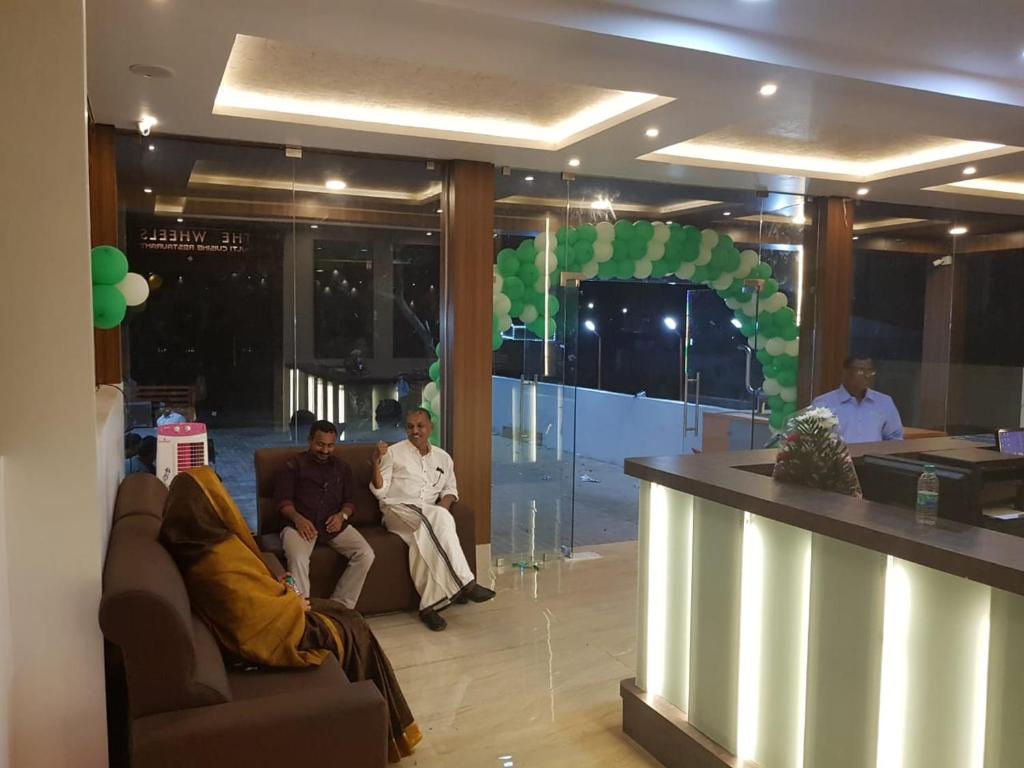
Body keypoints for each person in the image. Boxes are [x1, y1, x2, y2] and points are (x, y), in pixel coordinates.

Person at [159, 466, 421, 762]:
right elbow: (249, 613)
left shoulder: (203, 544)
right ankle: (381, 733)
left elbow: (247, 591)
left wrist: (280, 588)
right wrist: (293, 604)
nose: (226, 500)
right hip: (276, 628)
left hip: (289, 593)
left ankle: (378, 726)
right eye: (218, 495)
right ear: (206, 503)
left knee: (347, 606)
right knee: (353, 627)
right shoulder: (213, 558)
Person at [370, 408, 494, 631]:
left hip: (427, 514)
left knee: (422, 540)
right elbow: (380, 492)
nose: (415, 431)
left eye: (420, 426)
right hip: (397, 509)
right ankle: (466, 582)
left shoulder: (443, 457)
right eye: (410, 426)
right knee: (434, 519)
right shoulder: (393, 453)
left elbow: (450, 490)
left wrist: (442, 509)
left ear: (430, 428)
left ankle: (429, 606)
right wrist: (376, 462)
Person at [274, 420, 375, 609]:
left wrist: (342, 516)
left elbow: (350, 502)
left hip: (334, 525)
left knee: (365, 554)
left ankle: (340, 606)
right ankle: (303, 613)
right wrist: (298, 519)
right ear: (310, 440)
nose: (325, 450)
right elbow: (283, 502)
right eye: (320, 444)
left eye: (330, 445)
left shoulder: (342, 468)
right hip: (300, 526)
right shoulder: (292, 466)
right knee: (298, 559)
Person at [811, 354, 904, 443]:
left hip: (874, 458)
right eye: (860, 371)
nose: (867, 376)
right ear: (845, 373)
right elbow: (816, 442)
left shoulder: (884, 402)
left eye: (870, 371)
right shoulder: (824, 403)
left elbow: (895, 438)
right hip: (838, 458)